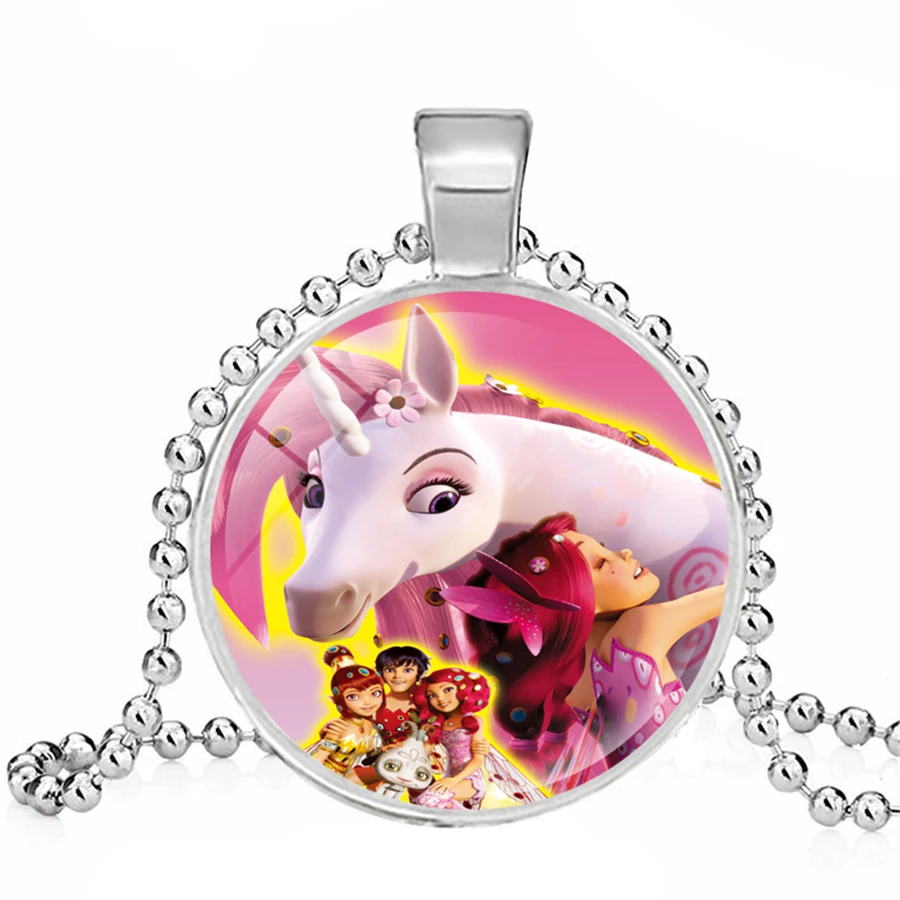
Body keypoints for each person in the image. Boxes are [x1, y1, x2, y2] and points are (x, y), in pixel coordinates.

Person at [306, 646, 384, 777]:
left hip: (344, 778)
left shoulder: (368, 725)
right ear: (339, 699)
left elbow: (371, 755)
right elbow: (318, 760)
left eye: (375, 693)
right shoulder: (339, 726)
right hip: (324, 775)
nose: (368, 702)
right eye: (353, 696)